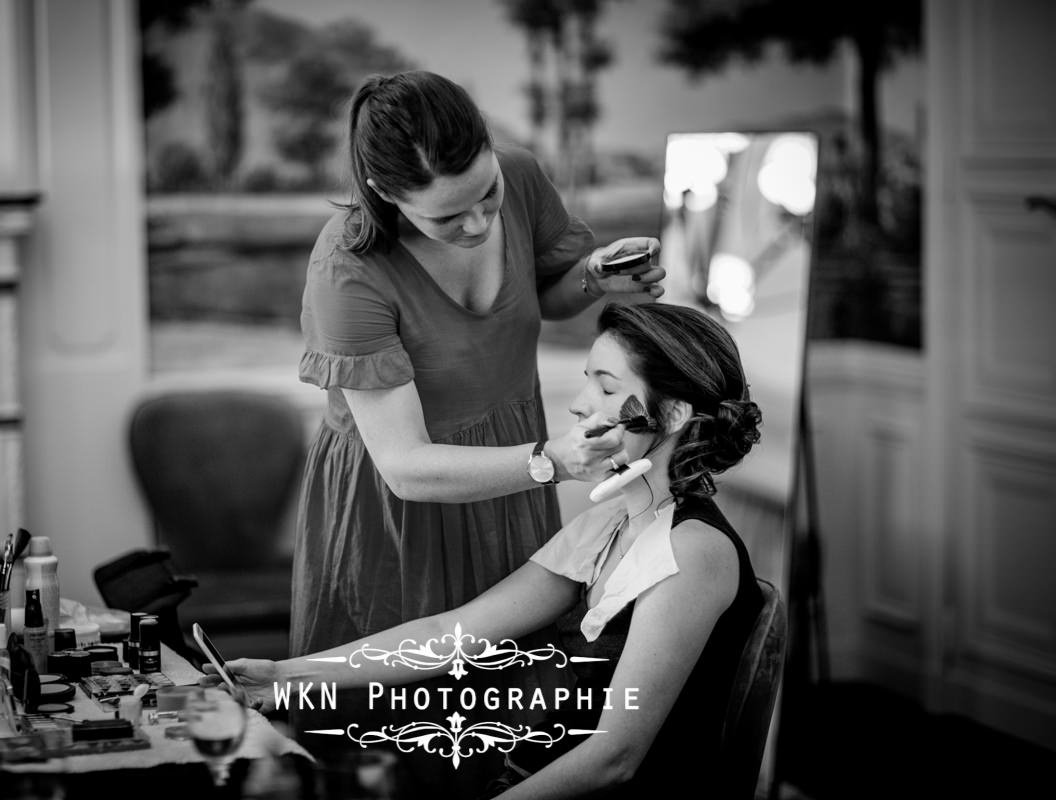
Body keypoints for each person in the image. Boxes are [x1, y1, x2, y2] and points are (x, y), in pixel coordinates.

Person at [210, 301, 766, 799]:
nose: (578, 405)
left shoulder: (692, 551)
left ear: (669, 415)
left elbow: (613, 759)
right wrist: (287, 676)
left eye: (605, 385)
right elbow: (449, 635)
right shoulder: (607, 524)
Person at [292, 70, 663, 793]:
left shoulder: (519, 178)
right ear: (381, 187)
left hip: (514, 481)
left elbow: (546, 296)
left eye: (484, 194)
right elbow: (404, 466)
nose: (477, 225)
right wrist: (549, 462)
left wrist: (592, 277)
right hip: (395, 514)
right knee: (390, 739)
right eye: (445, 218)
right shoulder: (348, 267)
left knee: (498, 726)